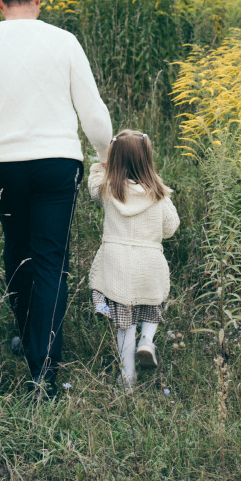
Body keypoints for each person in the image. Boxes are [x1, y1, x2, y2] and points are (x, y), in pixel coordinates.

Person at [0, 0, 112, 397]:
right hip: (57, 164)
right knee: (50, 260)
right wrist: (107, 158)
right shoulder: (63, 41)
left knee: (17, 251)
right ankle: (43, 369)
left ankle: (30, 340)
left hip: (6, 165)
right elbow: (94, 114)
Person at [88, 129, 179, 392]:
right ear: (147, 160)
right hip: (148, 264)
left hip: (116, 266)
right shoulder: (158, 193)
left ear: (114, 159)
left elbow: (93, 185)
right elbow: (170, 227)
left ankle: (127, 377)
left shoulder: (107, 189)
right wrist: (159, 187)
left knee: (124, 324)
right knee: (152, 306)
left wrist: (102, 164)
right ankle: (147, 341)